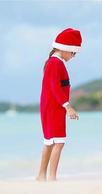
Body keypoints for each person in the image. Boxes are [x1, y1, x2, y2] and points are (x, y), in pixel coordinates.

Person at [36, 28, 82, 181]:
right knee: (58, 142)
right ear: (65, 49)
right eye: (73, 53)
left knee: (50, 142)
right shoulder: (55, 63)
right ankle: (51, 178)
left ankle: (42, 176)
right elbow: (55, 87)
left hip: (51, 106)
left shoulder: (55, 62)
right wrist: (67, 107)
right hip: (54, 107)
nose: (74, 56)